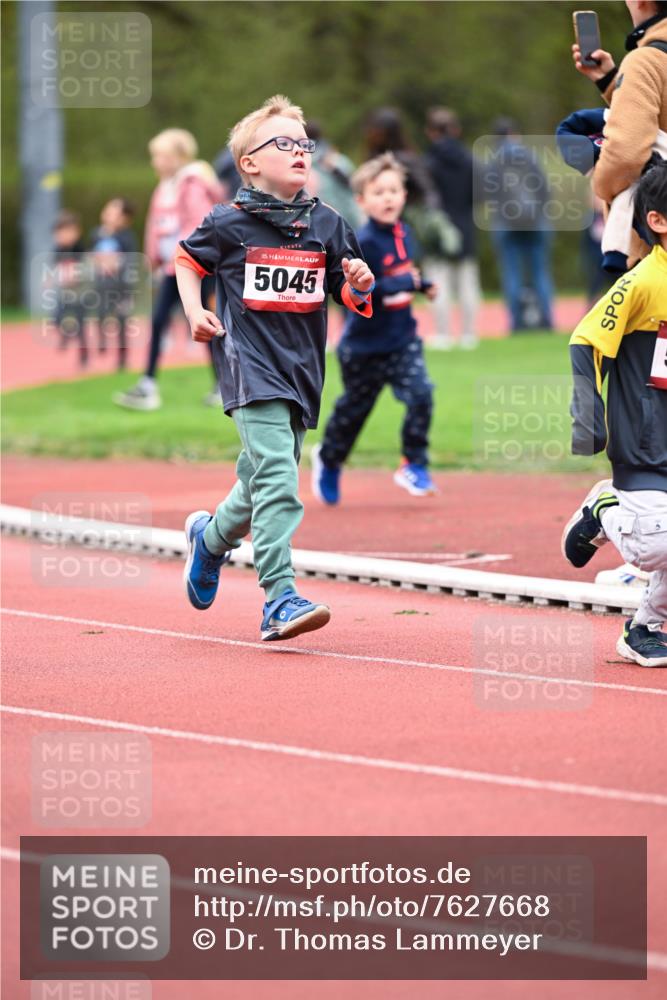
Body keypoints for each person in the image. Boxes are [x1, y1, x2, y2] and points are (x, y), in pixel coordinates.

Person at [174, 95, 374, 641]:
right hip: (248, 366)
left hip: (303, 371)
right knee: (281, 481)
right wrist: (195, 310)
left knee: (262, 476)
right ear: (250, 164)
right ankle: (279, 597)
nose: (300, 152)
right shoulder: (228, 223)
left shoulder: (328, 224)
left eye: (304, 143)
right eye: (283, 143)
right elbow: (186, 261)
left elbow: (344, 290)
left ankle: (211, 540)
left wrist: (357, 284)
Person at [562, 163, 667, 667]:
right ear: (658, 220)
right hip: (642, 437)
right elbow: (585, 339)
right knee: (654, 548)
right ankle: (604, 508)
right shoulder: (643, 280)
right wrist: (589, 414)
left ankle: (646, 627)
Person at [311, 152, 437, 505]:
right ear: (362, 201)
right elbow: (365, 290)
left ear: (404, 196)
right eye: (378, 192)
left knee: (422, 393)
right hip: (364, 347)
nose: (387, 197)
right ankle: (329, 459)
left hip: (403, 341)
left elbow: (403, 277)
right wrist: (401, 285)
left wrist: (421, 285)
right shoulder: (362, 241)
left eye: (393, 190)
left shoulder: (405, 234)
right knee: (354, 413)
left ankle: (414, 462)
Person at [113, 129, 222, 411]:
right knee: (164, 321)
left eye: (161, 156)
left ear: (179, 157)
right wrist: (155, 258)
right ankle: (149, 385)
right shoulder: (166, 185)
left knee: (202, 323)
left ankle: (223, 385)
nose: (156, 162)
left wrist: (183, 256)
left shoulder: (192, 184)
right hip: (174, 268)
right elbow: (156, 225)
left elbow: (199, 224)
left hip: (194, 268)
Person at [572, 0, 667, 271]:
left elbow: (626, 153)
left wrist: (601, 187)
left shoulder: (646, 61)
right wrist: (612, 82)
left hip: (659, 250)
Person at [485, 117, 554, 333]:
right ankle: (546, 320)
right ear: (514, 133)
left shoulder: (494, 160)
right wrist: (537, 212)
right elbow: (544, 188)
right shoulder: (529, 155)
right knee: (540, 271)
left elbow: (490, 193)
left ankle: (516, 323)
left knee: (511, 273)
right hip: (535, 222)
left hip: (506, 224)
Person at [423, 106, 481, 349]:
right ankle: (469, 334)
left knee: (439, 281)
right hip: (466, 224)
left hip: (438, 229)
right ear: (455, 130)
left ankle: (443, 333)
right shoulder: (470, 159)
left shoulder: (428, 163)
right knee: (467, 282)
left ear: (431, 132)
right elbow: (480, 194)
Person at [89, 198, 138, 370]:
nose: (110, 215)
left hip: (121, 286)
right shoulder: (96, 233)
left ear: (124, 218)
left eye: (115, 213)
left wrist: (130, 291)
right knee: (101, 314)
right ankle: (102, 342)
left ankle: (122, 358)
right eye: (108, 211)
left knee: (122, 320)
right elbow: (92, 255)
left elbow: (131, 261)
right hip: (102, 284)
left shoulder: (126, 236)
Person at [304, 120, 362, 229]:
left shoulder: (305, 165)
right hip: (346, 215)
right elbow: (354, 184)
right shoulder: (337, 159)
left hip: (330, 219)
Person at [49, 210, 88, 367]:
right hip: (65, 293)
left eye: (68, 231)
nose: (64, 236)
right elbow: (54, 268)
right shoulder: (58, 250)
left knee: (80, 326)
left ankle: (84, 356)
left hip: (80, 294)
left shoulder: (80, 249)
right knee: (56, 318)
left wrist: (78, 275)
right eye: (60, 232)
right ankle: (66, 333)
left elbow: (88, 268)